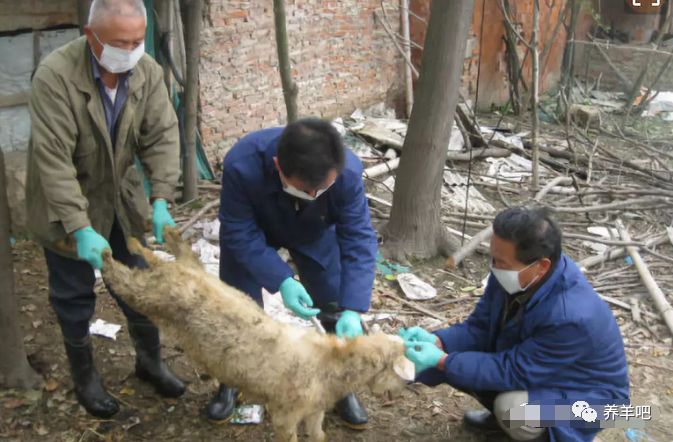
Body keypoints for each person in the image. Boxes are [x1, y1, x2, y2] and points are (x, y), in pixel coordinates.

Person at [25, 0, 184, 418]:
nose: (130, 50)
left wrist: (162, 197)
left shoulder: (146, 70)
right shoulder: (55, 77)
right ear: (89, 35)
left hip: (120, 198)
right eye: (120, 42)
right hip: (65, 203)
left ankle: (150, 363)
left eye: (137, 41)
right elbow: (53, 161)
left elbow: (163, 135)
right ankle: (86, 378)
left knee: (139, 286)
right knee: (73, 294)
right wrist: (79, 228)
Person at [400, 207, 629, 442]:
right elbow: (479, 328)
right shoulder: (515, 275)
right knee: (467, 366)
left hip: (602, 406)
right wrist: (439, 341)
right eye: (493, 258)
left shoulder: (570, 316)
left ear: (541, 266)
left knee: (514, 410)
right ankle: (508, 422)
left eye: (501, 262)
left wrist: (442, 360)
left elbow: (515, 371)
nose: (494, 266)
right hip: (551, 377)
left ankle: (549, 433)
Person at [213, 118, 378, 428]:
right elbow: (238, 230)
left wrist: (354, 308)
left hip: (314, 231)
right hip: (254, 234)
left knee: (333, 300)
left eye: (323, 188)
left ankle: (339, 384)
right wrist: (282, 279)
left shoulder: (347, 172)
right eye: (307, 189)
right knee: (239, 308)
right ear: (278, 165)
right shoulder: (242, 164)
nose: (315, 193)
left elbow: (358, 238)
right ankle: (232, 378)